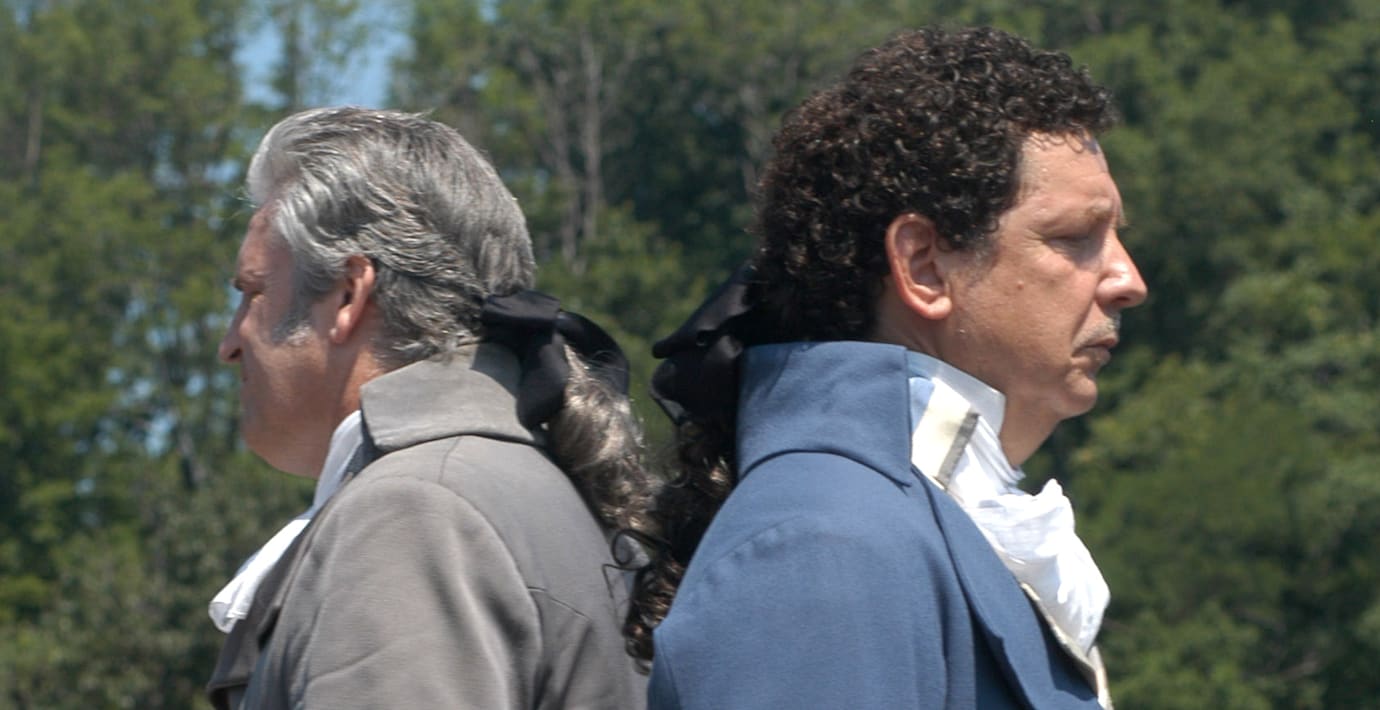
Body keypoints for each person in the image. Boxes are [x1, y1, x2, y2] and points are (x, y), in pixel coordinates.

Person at [625, 26, 1148, 709]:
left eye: (1114, 239)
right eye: (1074, 237)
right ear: (924, 266)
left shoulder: (886, 528)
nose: (1128, 280)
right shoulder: (824, 544)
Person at [205, 107, 650, 710]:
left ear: (348, 293)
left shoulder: (411, 513)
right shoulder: (510, 487)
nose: (229, 344)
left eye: (253, 294)